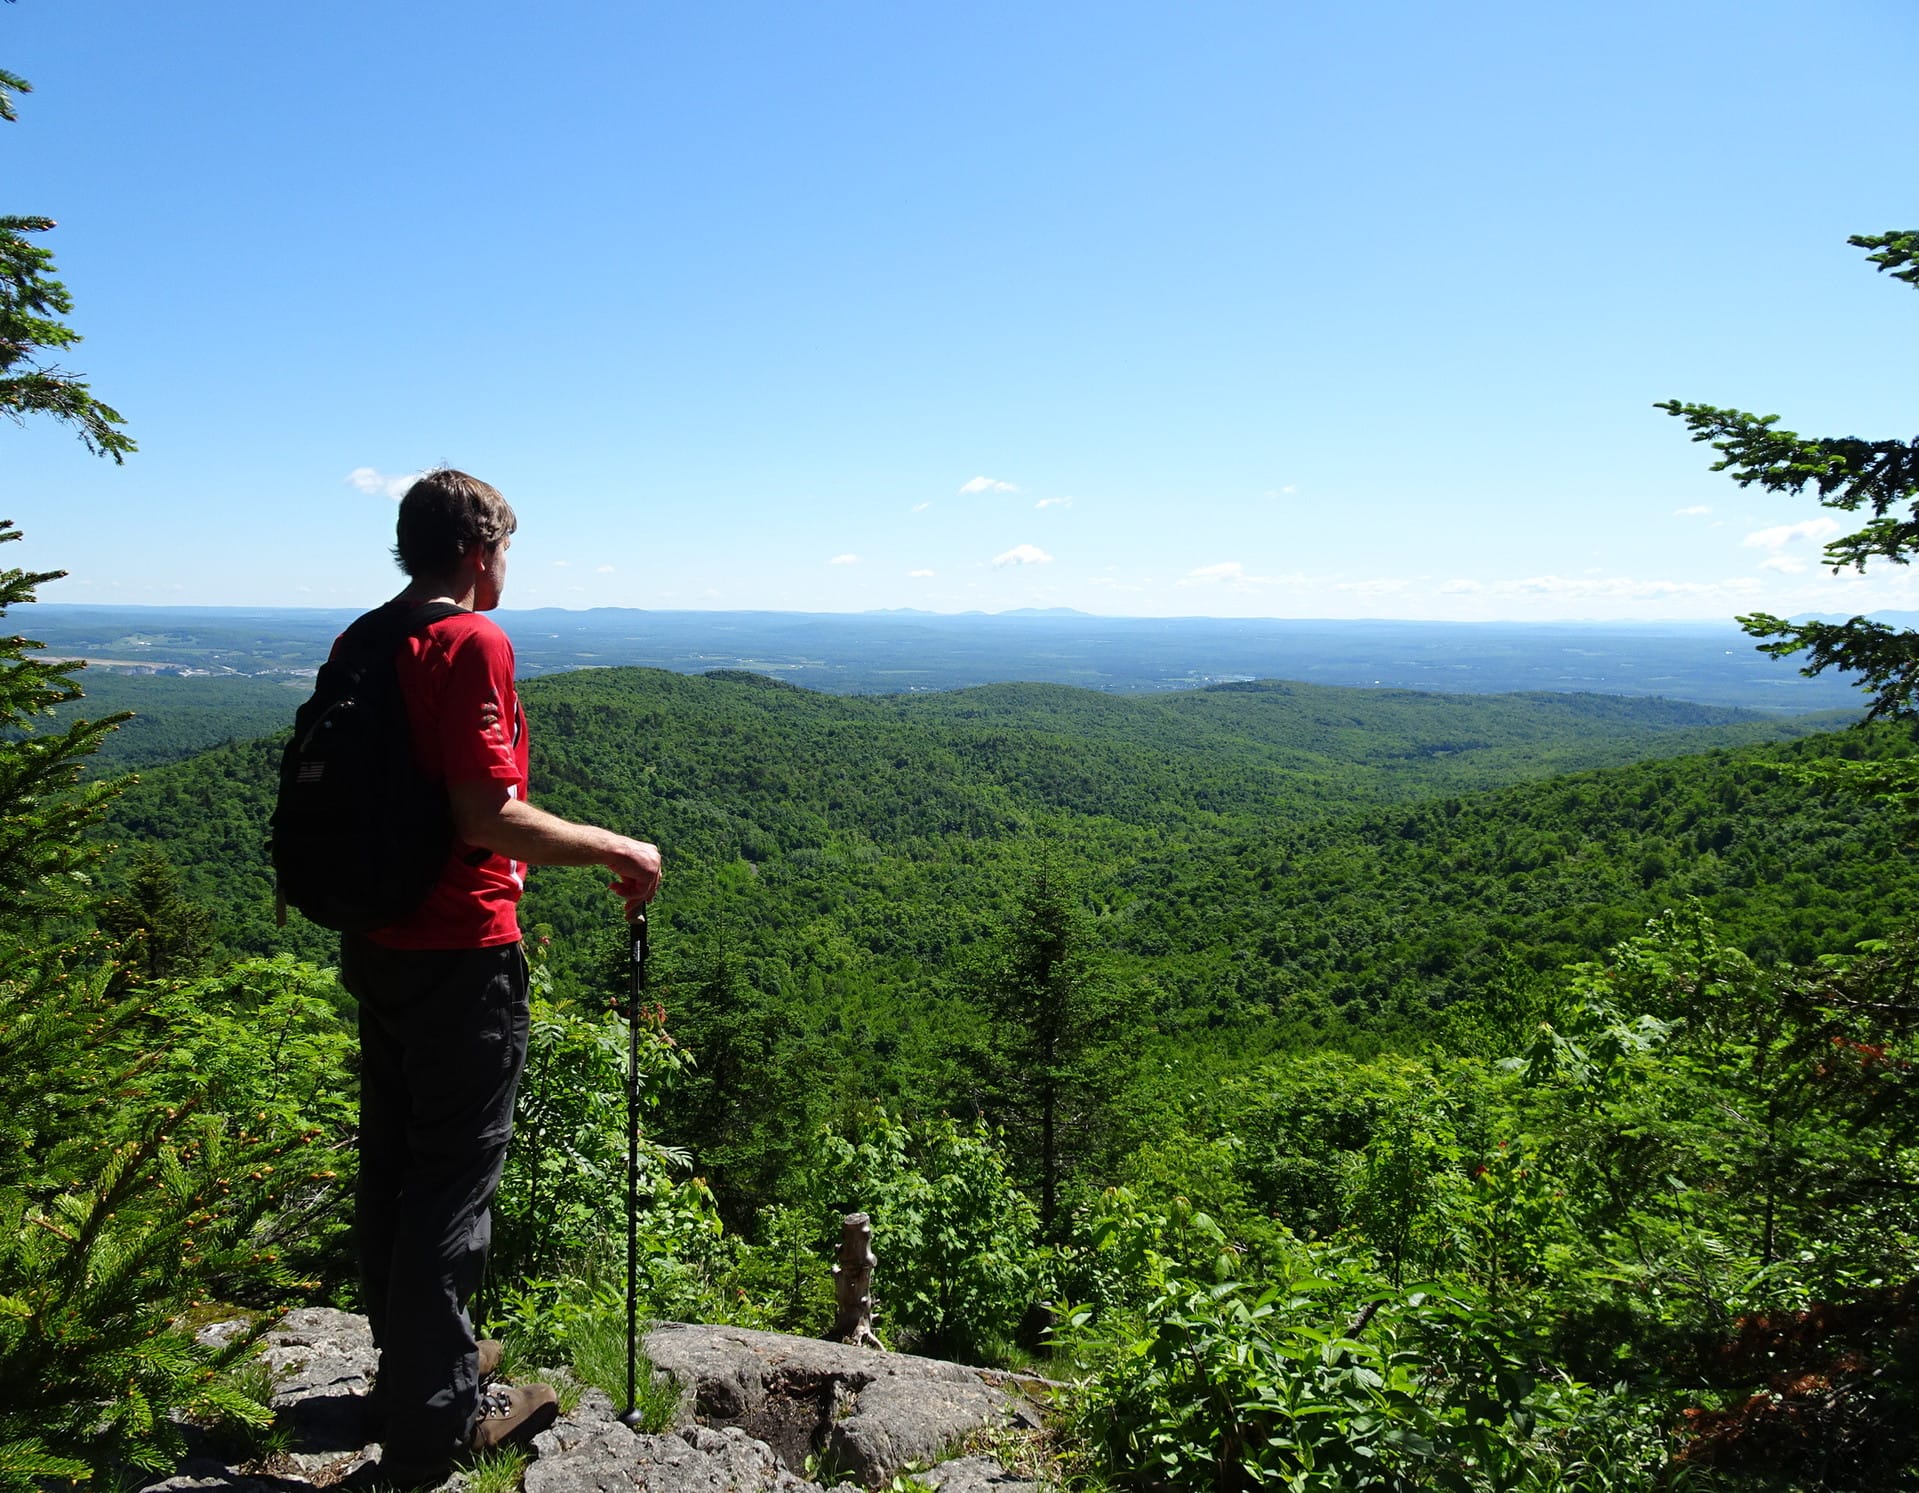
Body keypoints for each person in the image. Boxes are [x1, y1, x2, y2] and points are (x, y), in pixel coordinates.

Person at [339, 469, 660, 1483]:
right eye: (505, 551)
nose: (504, 569)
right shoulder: (469, 639)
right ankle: (438, 1417)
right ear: (480, 553)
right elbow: (488, 817)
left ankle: (412, 1363)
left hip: (377, 941)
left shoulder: (364, 638)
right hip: (459, 949)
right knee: (452, 1179)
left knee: (395, 1158)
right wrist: (621, 848)